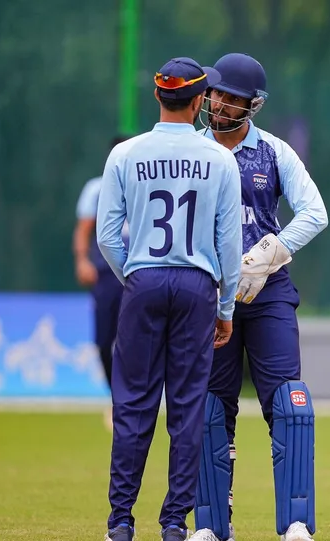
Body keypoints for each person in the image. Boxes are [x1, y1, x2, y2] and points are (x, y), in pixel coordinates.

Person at [96, 56, 242, 541]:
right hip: (198, 286)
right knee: (187, 408)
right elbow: (229, 244)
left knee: (133, 405)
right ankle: (174, 522)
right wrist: (224, 308)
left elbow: (107, 238)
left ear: (158, 95)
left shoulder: (125, 155)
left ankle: (120, 521)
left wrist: (133, 277)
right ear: (199, 100)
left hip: (143, 280)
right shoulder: (220, 159)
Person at [193, 52, 328, 541]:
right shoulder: (192, 149)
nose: (222, 103)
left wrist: (273, 251)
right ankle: (210, 524)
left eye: (233, 97)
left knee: (290, 405)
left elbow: (315, 212)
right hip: (208, 296)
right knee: (209, 409)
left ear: (254, 104)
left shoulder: (273, 152)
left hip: (268, 292)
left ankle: (295, 521)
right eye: (217, 93)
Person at [73, 134, 131, 430]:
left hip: (139, 272)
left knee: (137, 339)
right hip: (106, 272)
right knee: (103, 341)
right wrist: (82, 260)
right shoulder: (96, 189)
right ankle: (116, 398)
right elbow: (84, 228)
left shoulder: (143, 183)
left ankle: (132, 401)